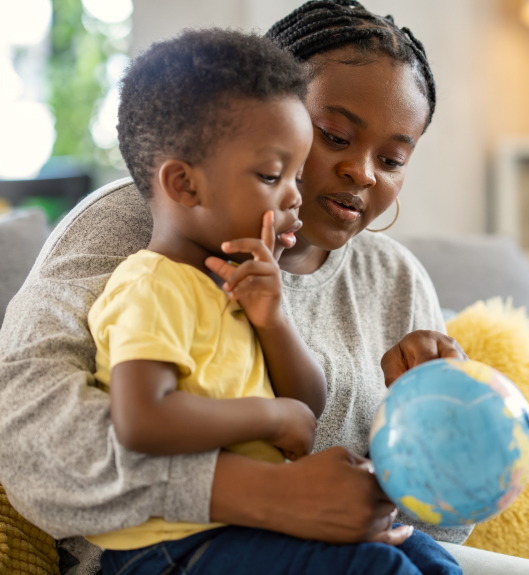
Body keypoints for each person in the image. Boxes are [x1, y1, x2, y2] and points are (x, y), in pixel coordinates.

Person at [0, 1, 480, 573]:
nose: (364, 172)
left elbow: (445, 526)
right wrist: (272, 493)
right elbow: (30, 445)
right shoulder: (145, 225)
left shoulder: (397, 280)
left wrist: (446, 425)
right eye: (332, 135)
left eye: (394, 158)